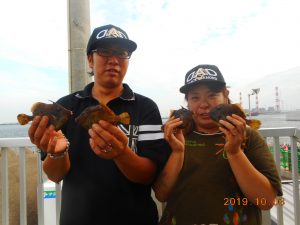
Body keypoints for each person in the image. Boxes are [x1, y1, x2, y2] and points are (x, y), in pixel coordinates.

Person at [28, 24, 170, 225]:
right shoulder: (66, 107)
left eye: (122, 53)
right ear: (89, 60)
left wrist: (122, 153)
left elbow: (149, 175)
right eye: (104, 52)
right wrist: (56, 152)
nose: (114, 60)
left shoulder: (146, 107)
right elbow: (55, 174)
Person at [153, 64, 283, 225]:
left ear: (225, 96)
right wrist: (177, 153)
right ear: (187, 103)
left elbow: (267, 201)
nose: (204, 104)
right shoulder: (175, 136)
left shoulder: (249, 137)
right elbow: (161, 194)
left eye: (212, 95)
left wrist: (235, 153)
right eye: (195, 97)